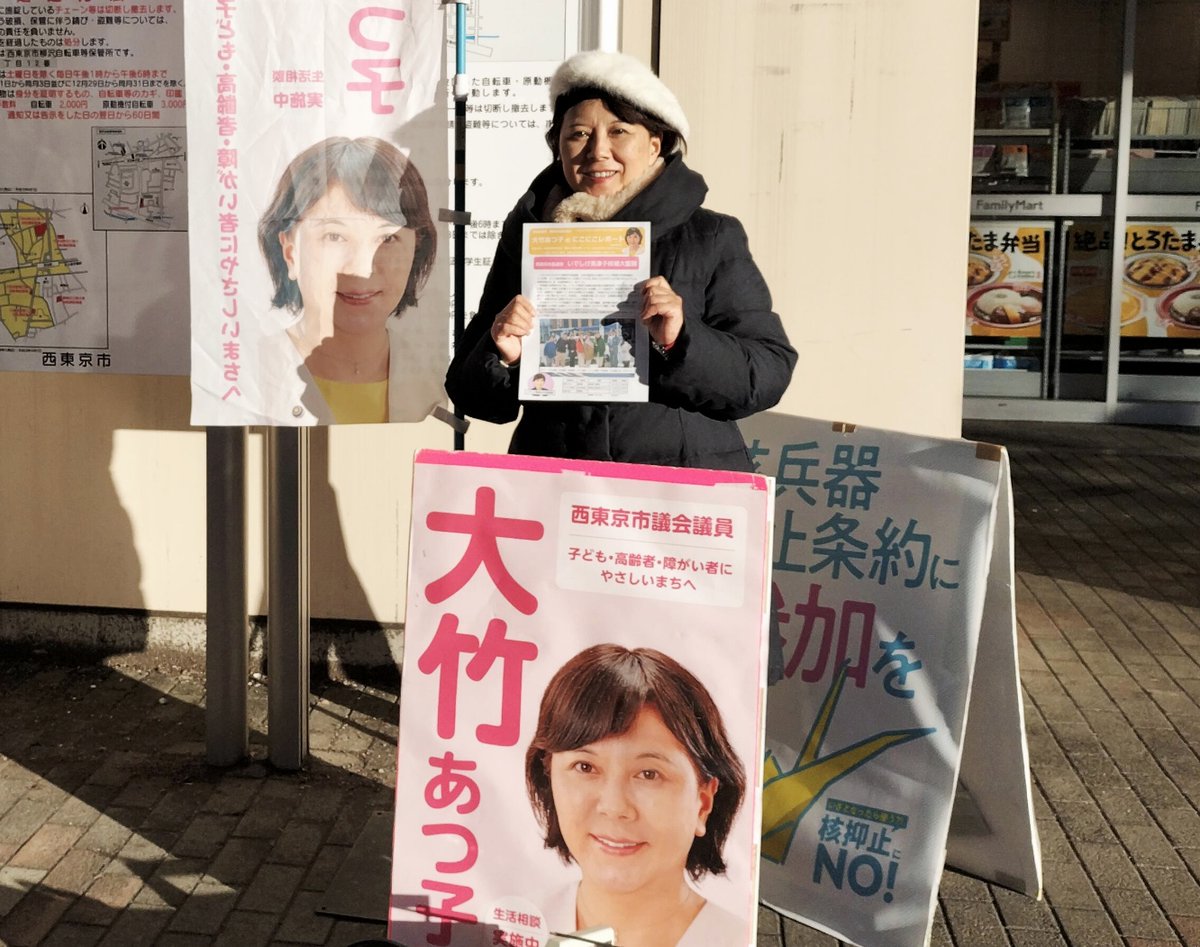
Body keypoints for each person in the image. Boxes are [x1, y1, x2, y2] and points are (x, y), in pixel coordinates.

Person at [445, 50, 796, 471]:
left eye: (619, 131)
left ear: (654, 144)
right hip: (559, 481)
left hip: (679, 485)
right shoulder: (529, 235)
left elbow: (768, 373)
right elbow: (468, 392)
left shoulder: (709, 235)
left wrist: (681, 339)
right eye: (579, 134)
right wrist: (503, 353)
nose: (598, 151)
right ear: (557, 145)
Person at [526, 644, 747, 947]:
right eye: (585, 767)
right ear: (549, 779)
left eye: (649, 774)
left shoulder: (735, 940)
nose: (614, 806)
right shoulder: (506, 927)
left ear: (703, 802)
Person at [254, 135, 437, 424]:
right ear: (290, 251)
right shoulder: (241, 375)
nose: (361, 268)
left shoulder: (442, 381)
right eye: (335, 236)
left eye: (387, 238)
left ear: (416, 250)